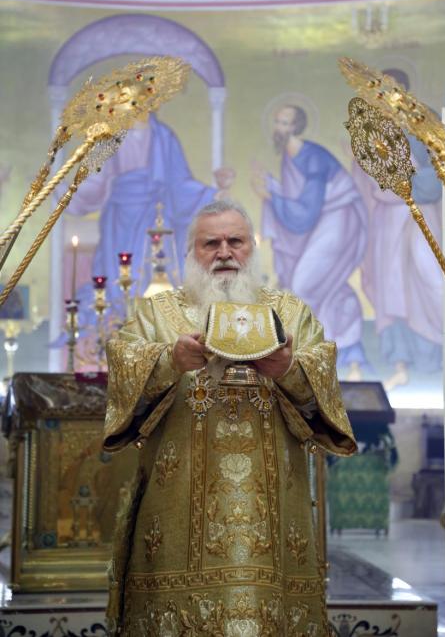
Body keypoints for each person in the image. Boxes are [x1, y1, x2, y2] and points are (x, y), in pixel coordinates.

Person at [104, 199, 356, 636]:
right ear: (192, 252)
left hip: (271, 531)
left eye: (235, 241)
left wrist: (289, 370)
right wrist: (169, 360)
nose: (224, 252)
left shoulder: (290, 314)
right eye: (211, 243)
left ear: (252, 247)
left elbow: (325, 394)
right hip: (177, 526)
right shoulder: (156, 314)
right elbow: (123, 380)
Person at [66, 114, 234, 323]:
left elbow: (179, 184)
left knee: (155, 266)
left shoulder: (164, 136)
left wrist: (211, 195)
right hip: (119, 217)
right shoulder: (109, 136)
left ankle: (157, 322)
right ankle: (121, 321)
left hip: (156, 214)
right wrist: (67, 193)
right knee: (116, 274)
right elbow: (95, 179)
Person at [252, 104, 368, 380]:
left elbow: (306, 213)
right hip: (322, 221)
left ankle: (320, 355)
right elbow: (299, 202)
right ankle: (349, 354)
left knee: (305, 284)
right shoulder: (289, 155)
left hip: (340, 220)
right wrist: (272, 187)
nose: (279, 128)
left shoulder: (313, 157)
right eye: (277, 121)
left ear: (296, 127)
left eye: (285, 123)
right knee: (328, 286)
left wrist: (271, 196)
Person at [352, 69, 443, 390]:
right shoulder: (368, 128)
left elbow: (438, 169)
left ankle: (438, 358)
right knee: (390, 288)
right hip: (386, 221)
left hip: (421, 215)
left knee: (428, 278)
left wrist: (409, 181)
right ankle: (400, 363)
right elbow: (365, 182)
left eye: (391, 89)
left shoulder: (422, 123)